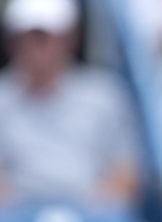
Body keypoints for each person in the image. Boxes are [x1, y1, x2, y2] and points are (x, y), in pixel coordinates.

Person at [0, 0, 140, 207]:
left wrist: (93, 206)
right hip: (15, 217)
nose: (38, 48)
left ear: (70, 38)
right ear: (13, 41)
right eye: (30, 38)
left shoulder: (104, 95)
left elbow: (125, 174)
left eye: (45, 38)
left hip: (93, 216)